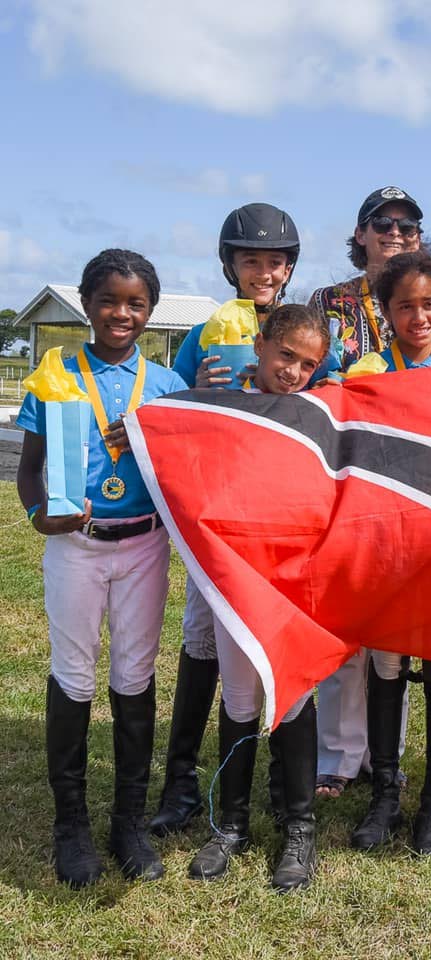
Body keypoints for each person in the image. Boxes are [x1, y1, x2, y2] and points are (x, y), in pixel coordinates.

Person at [17, 249, 187, 887]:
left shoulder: (167, 386)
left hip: (143, 546)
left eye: (136, 303)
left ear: (150, 311)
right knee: (74, 675)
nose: (122, 313)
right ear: (86, 303)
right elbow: (30, 469)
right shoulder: (55, 371)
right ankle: (72, 828)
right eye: (109, 300)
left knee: (135, 674)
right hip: (76, 545)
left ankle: (129, 823)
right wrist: (39, 514)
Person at [149, 203, 301, 837]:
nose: (263, 272)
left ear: (289, 269)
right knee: (201, 641)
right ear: (230, 266)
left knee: (271, 644)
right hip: (217, 509)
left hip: (277, 513)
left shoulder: (302, 329)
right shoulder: (205, 332)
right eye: (250, 261)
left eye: (274, 262)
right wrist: (198, 388)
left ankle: (277, 777)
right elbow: (166, 404)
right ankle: (181, 780)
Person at [308, 186, 431, 799]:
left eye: (408, 223)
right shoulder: (327, 301)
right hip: (351, 478)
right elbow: (312, 374)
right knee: (348, 631)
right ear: (361, 233)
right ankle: (336, 757)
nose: (396, 230)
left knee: (394, 639)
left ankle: (385, 757)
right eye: (383, 222)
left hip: (420, 492)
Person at [187, 304, 330, 892]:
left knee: (291, 692)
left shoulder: (321, 413)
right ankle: (230, 825)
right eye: (285, 356)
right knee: (241, 693)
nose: (293, 371)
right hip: (234, 572)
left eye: (308, 364)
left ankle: (300, 826)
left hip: (294, 576)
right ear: (261, 343)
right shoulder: (223, 403)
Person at [343, 250, 431, 856]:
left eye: (428, 304)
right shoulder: (367, 370)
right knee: (386, 664)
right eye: (404, 306)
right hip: (388, 541)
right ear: (384, 312)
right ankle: (385, 797)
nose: (418, 316)